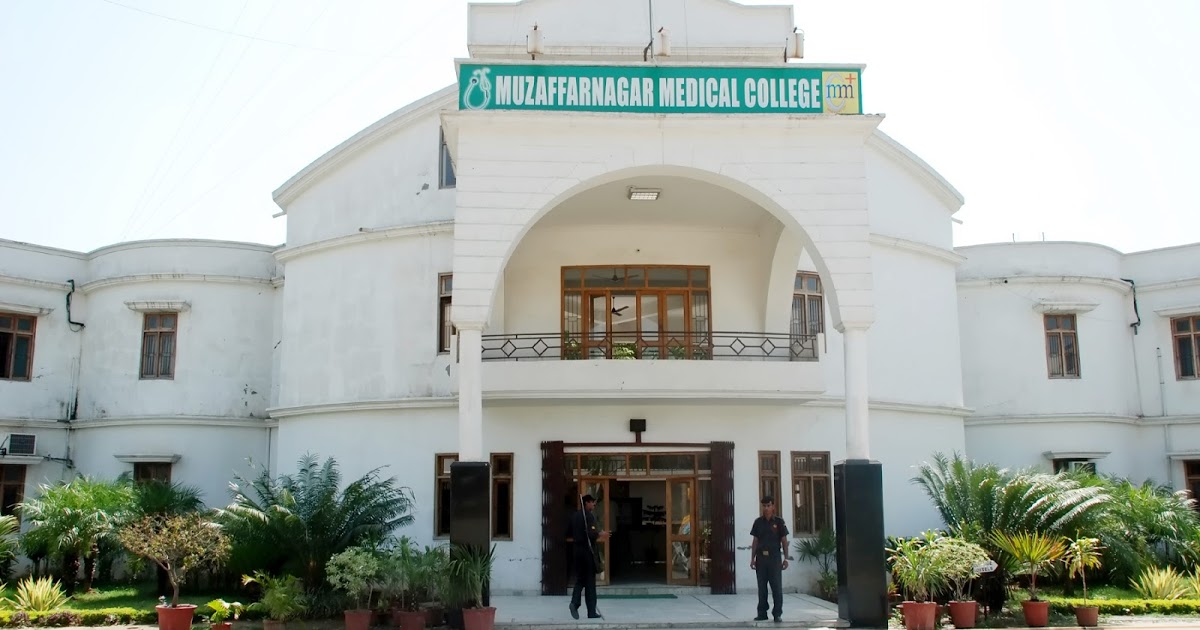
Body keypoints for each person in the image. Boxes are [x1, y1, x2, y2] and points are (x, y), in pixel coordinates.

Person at [569, 494, 610, 620]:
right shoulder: (589, 516)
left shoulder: (575, 516)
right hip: (587, 552)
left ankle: (574, 603)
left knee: (581, 579)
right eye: (592, 502)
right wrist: (600, 534)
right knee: (590, 583)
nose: (594, 504)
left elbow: (569, 532)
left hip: (577, 551)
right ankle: (591, 611)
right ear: (586, 503)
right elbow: (591, 534)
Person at [750, 495, 789, 622]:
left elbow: (784, 541)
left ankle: (777, 614)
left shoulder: (779, 522)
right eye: (764, 506)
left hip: (774, 559)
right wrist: (752, 558)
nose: (766, 508)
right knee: (762, 587)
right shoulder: (758, 522)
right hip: (761, 558)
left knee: (776, 587)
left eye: (768, 505)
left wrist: (786, 558)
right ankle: (762, 613)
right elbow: (755, 541)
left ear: (773, 507)